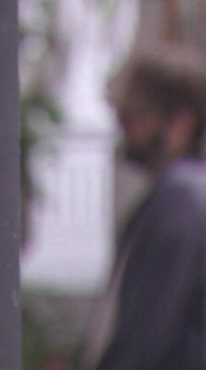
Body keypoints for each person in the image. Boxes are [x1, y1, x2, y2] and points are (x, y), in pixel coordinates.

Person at [80, 43, 206, 369]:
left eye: (137, 115)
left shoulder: (182, 201)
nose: (123, 126)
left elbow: (145, 334)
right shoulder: (184, 195)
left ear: (180, 124)